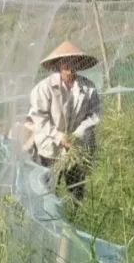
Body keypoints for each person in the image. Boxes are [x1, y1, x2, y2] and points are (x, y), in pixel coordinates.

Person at [26, 40, 101, 201]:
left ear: (79, 63)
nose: (69, 65)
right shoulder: (44, 88)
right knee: (47, 190)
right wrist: (60, 137)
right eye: (65, 61)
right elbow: (39, 118)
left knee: (76, 190)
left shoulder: (88, 88)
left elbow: (93, 115)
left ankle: (74, 216)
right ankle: (50, 219)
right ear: (59, 64)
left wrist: (77, 135)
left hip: (77, 148)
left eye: (74, 60)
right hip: (50, 148)